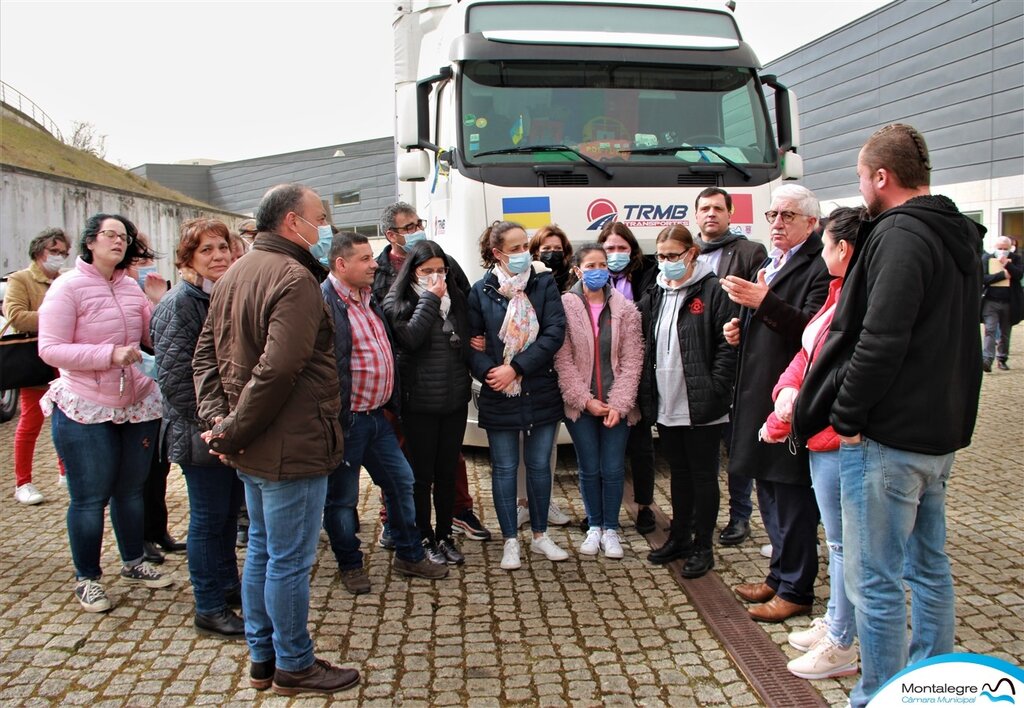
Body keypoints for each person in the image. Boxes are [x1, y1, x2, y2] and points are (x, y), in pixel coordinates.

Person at [793, 124, 984, 707]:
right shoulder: (956, 233)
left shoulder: (900, 234)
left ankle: (878, 694)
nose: (859, 187)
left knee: (874, 580)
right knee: (928, 568)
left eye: (860, 176)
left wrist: (846, 418)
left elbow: (881, 338)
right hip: (937, 433)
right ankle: (930, 686)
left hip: (889, 437)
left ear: (882, 176)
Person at [193, 183, 359, 696]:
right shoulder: (293, 276)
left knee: (265, 550)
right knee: (286, 558)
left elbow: (205, 360)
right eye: (320, 217)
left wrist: (224, 426)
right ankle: (294, 663)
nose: (325, 226)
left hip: (256, 443)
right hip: (289, 444)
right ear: (292, 223)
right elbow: (277, 368)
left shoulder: (236, 272)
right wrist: (230, 429)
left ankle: (263, 657)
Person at [38, 213, 173, 613]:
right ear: (90, 241)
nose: (119, 241)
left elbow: (153, 338)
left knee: (131, 491)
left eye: (124, 236)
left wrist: (160, 305)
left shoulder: (131, 289)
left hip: (137, 403)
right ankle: (88, 578)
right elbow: (50, 349)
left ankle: (134, 562)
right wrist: (108, 355)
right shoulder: (67, 287)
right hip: (85, 405)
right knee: (89, 498)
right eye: (110, 235)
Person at [757, 206, 866, 680]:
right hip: (817, 432)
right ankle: (839, 624)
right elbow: (808, 352)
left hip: (835, 434)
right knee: (839, 542)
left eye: (825, 245)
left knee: (846, 545)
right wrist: (784, 392)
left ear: (843, 249)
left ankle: (843, 641)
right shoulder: (839, 292)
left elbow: (837, 368)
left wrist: (797, 406)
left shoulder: (857, 297)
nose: (821, 254)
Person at [720, 184, 831, 622]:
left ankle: (797, 590)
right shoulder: (773, 261)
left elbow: (812, 330)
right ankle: (779, 575)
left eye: (787, 216)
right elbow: (765, 318)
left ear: (810, 222)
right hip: (759, 396)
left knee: (792, 498)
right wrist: (739, 328)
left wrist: (763, 302)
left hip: (790, 402)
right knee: (768, 492)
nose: (777, 223)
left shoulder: (818, 266)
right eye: (772, 215)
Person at [321, 231, 449, 595]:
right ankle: (350, 564)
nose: (374, 264)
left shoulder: (367, 298)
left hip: (377, 417)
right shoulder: (325, 302)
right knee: (342, 499)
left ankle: (408, 553)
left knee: (401, 482)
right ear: (341, 264)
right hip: (347, 420)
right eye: (364, 259)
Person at [374, 201, 491, 544]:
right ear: (391, 234)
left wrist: (474, 339)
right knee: (405, 460)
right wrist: (427, 300)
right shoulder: (382, 273)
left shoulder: (447, 268)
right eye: (408, 227)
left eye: (418, 223)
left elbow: (468, 307)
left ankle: (455, 515)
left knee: (448, 460)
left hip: (450, 391)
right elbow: (404, 335)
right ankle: (396, 520)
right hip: (407, 387)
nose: (416, 230)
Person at [151, 217, 244, 640]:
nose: (218, 256)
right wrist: (217, 427)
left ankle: (227, 586)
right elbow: (175, 381)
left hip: (223, 430)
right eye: (206, 250)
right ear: (188, 258)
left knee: (226, 516)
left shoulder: (218, 295)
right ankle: (208, 605)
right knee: (208, 520)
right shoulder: (180, 303)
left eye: (222, 247)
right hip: (199, 432)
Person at [637, 225, 737, 578]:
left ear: (692, 254)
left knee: (704, 477)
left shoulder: (713, 291)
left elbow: (728, 347)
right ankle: (679, 536)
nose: (666, 263)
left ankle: (703, 546)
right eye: (661, 257)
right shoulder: (657, 292)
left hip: (701, 404)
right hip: (668, 402)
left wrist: (716, 389)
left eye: (673, 256)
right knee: (679, 475)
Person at [468, 221, 568, 570]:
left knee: (540, 466)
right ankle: (510, 540)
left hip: (540, 389)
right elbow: (470, 342)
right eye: (515, 248)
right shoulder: (481, 291)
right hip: (500, 393)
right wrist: (490, 371)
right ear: (497, 253)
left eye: (525, 245)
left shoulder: (543, 284)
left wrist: (518, 367)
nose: (524, 253)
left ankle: (540, 536)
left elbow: (555, 332)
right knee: (506, 468)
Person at [383, 240, 472, 566]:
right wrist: (431, 299)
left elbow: (465, 338)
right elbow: (410, 338)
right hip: (419, 402)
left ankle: (445, 533)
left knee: (447, 471)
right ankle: (424, 536)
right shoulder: (398, 299)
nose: (436, 276)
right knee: (421, 475)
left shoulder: (457, 298)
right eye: (427, 271)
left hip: (454, 399)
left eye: (441, 270)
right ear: (413, 272)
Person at [554, 243, 643, 559]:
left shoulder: (625, 308)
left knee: (613, 467)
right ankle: (594, 526)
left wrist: (619, 404)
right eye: (590, 265)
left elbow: (633, 359)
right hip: (581, 406)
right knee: (589, 467)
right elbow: (562, 360)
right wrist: (585, 400)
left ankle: (612, 529)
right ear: (577, 270)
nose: (598, 271)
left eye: (602, 265)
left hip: (617, 406)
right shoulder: (564, 306)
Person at [693, 187, 769, 547]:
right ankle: (698, 514)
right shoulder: (687, 251)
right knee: (700, 450)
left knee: (737, 447)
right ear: (696, 216)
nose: (711, 214)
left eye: (718, 209)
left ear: (729, 214)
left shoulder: (750, 251)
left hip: (736, 361)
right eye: (705, 208)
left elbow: (760, 302)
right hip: (696, 363)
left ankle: (740, 517)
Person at [126, 235, 184, 566]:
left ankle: (159, 531)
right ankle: (141, 539)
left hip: (156, 392)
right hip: (133, 389)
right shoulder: (123, 290)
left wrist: (157, 301)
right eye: (139, 257)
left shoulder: (151, 290)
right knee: (139, 475)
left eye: (147, 255)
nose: (145, 263)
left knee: (159, 468)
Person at [596, 221, 658, 535]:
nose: (616, 254)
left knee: (640, 445)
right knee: (605, 450)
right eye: (609, 249)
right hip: (601, 373)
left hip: (638, 370)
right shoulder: (591, 278)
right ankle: (601, 513)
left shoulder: (649, 275)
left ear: (632, 249)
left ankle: (645, 506)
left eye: (622, 248)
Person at [4, 227, 70, 505]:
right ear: (39, 250)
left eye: (63, 253)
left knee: (68, 416)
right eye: (54, 251)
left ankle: (66, 471)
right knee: (31, 419)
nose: (59, 257)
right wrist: (58, 315)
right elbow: (17, 316)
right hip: (34, 359)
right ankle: (24, 482)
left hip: (65, 357)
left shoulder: (67, 279)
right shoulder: (20, 279)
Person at [981, 235, 1023, 371]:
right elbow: (983, 278)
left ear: (1010, 248)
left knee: (1005, 333)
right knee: (990, 330)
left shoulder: (1016, 259)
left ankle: (1002, 358)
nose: (1002, 251)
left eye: (1005, 249)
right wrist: (1002, 276)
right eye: (1000, 248)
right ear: (995, 247)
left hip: (1009, 302)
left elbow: (1019, 275)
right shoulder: (987, 258)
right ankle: (987, 359)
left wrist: (1007, 264)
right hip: (990, 301)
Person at [529, 224, 574, 292]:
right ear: (537, 251)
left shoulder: (573, 274)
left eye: (558, 248)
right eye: (546, 248)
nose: (552, 251)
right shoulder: (529, 275)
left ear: (564, 250)